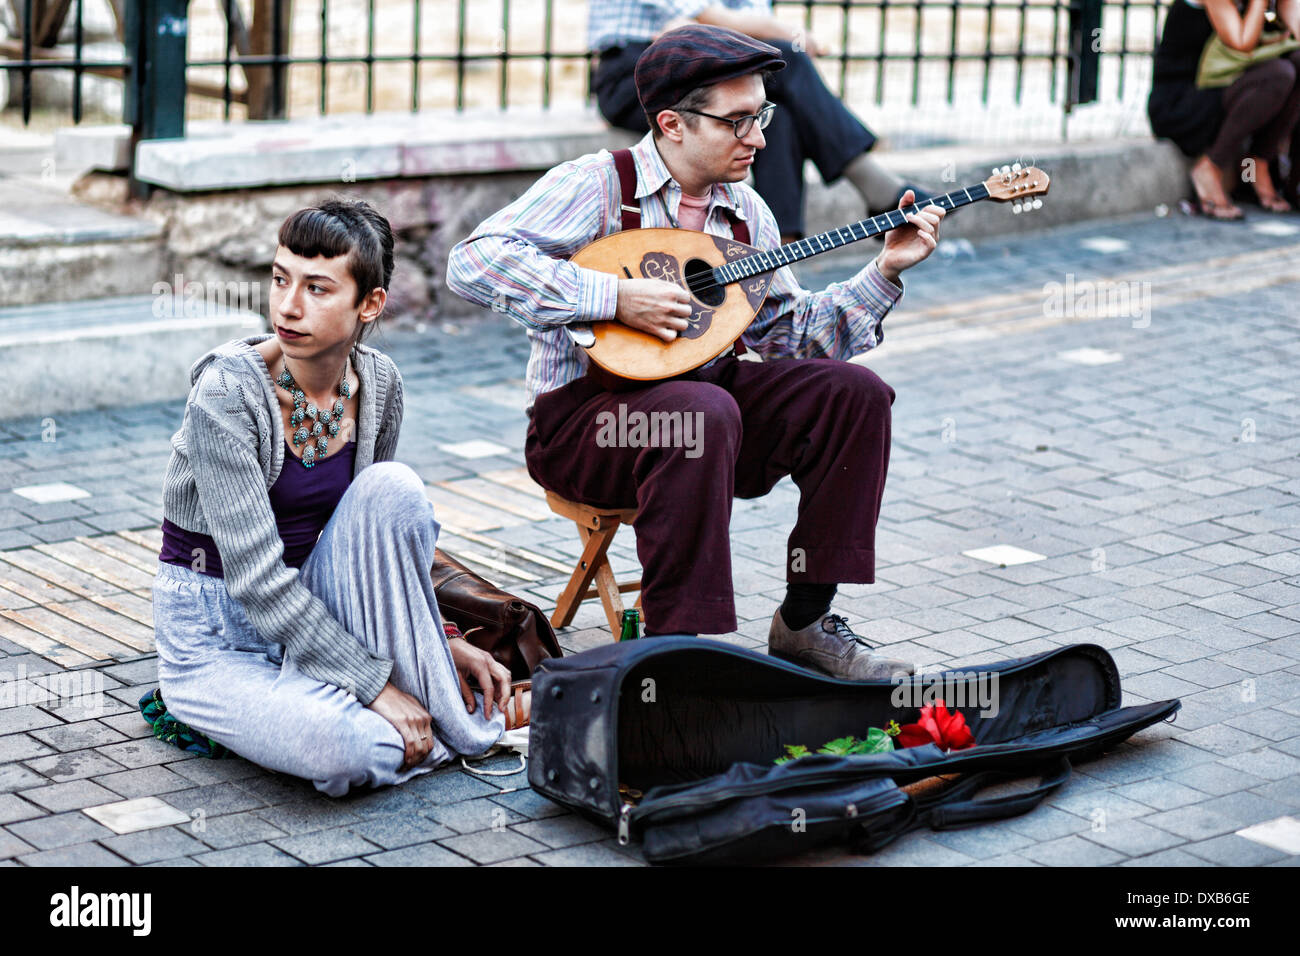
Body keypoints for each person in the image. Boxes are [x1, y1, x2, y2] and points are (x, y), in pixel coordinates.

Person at [447, 25, 946, 680]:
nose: (761, 139)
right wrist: (609, 298)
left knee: (852, 396)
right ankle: (677, 655)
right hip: (583, 426)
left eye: (762, 116)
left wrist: (885, 272)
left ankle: (805, 620)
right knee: (701, 412)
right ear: (672, 124)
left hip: (709, 415)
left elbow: (792, 339)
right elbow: (473, 261)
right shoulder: (598, 185)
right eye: (737, 121)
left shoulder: (746, 216)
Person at [152, 199, 528, 797]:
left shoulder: (378, 385)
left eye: (318, 288)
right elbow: (257, 583)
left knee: (393, 489)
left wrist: (443, 642)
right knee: (346, 747)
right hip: (220, 636)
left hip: (319, 604)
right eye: (280, 279)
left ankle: (401, 703)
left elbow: (375, 547)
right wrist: (380, 686)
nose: (288, 306)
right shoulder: (226, 395)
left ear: (369, 304)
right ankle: (367, 712)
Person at [589, 0, 923, 241]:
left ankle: (777, 262)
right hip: (635, 72)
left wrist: (720, 27)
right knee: (787, 57)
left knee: (776, 114)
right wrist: (791, 33)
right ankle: (878, 188)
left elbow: (740, 32)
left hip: (706, 62)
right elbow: (708, 16)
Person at [1148, 0, 1300, 218]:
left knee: (1296, 62)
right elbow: (1242, 42)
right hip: (1183, 105)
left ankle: (1262, 163)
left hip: (1222, 92)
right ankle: (1209, 168)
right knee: (1279, 74)